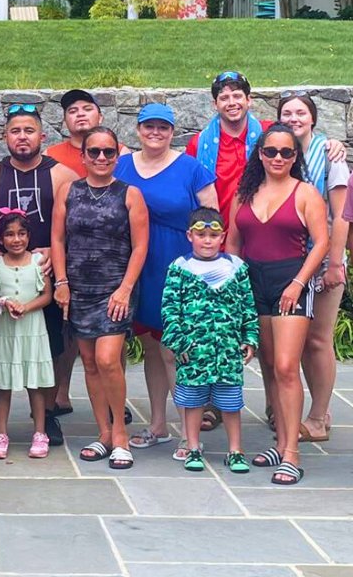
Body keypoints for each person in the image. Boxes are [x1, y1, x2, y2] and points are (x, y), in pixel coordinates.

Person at [227, 124, 328, 485]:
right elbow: (233, 244)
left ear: (296, 157)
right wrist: (233, 289)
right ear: (260, 154)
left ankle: (292, 453)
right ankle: (280, 441)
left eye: (287, 152)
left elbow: (321, 243)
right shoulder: (245, 193)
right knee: (269, 365)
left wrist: (299, 283)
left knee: (287, 366)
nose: (278, 158)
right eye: (271, 151)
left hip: (291, 280)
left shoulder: (306, 193)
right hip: (253, 282)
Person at [114, 104, 217, 456]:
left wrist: (208, 267)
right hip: (135, 265)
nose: (155, 133)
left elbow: (211, 218)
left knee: (175, 350)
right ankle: (158, 424)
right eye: (148, 126)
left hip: (177, 267)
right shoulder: (122, 165)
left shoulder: (191, 169)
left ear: (173, 131)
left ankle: (191, 436)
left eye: (163, 127)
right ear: (138, 129)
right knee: (152, 350)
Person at [0, 104, 77, 446]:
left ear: (42, 136)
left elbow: (76, 225)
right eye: (15, 131)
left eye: (29, 130)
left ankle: (45, 415)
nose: (22, 137)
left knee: (48, 348)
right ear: (5, 137)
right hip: (2, 277)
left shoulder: (61, 175)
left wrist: (55, 257)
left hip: (42, 274)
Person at [51, 126, 149, 471]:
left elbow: (140, 247)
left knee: (109, 359)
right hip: (79, 287)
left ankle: (121, 435)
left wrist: (124, 288)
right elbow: (58, 240)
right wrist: (61, 282)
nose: (102, 158)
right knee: (89, 362)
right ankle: (103, 432)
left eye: (109, 152)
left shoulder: (130, 194)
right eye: (95, 152)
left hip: (114, 289)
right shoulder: (69, 191)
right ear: (84, 156)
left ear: (117, 155)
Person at [160, 207, 258, 475]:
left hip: (227, 351)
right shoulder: (180, 269)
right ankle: (193, 446)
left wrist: (249, 337)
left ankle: (235, 450)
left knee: (230, 403)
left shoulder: (235, 268)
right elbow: (169, 309)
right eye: (201, 234)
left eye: (213, 235)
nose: (207, 240)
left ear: (223, 236)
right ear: (189, 235)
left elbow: (248, 305)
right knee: (192, 402)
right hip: (193, 353)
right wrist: (178, 342)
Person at [278, 92, 349, 442]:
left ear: (313, 118)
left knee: (319, 340)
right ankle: (299, 411)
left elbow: (341, 216)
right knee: (298, 343)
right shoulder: (280, 153)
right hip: (288, 260)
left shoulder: (331, 156)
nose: (294, 118)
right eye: (287, 112)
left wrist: (335, 263)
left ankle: (319, 417)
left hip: (323, 260)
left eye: (301, 112)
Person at [186, 71, 344, 222]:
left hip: (261, 233)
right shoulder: (199, 144)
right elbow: (190, 193)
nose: (232, 103)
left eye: (237, 96)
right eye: (224, 98)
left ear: (249, 100)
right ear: (215, 104)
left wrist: (329, 143)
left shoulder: (269, 134)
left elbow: (299, 138)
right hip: (214, 236)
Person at [0, 209, 54, 460]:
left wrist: (26, 306)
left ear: (29, 236)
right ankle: (1, 433)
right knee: (3, 384)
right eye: (10, 235)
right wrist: (2, 302)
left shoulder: (37, 262)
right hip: (4, 331)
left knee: (34, 383)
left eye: (21, 234)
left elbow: (47, 295)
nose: (16, 239)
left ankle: (40, 432)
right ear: (1, 239)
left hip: (32, 329)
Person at [47, 90, 127, 179]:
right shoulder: (50, 156)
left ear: (100, 118)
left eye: (87, 109)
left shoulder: (121, 154)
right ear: (65, 122)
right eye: (73, 111)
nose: (80, 114)